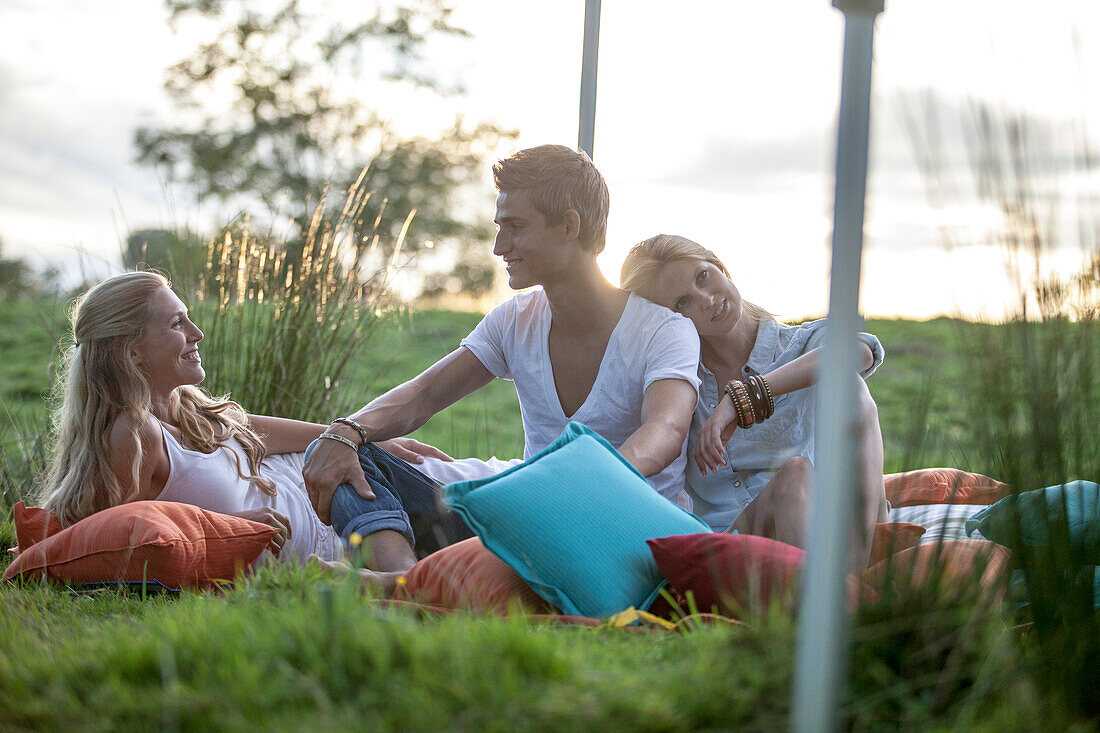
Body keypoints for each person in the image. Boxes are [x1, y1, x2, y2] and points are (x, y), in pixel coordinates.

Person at [303, 145, 702, 576]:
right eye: (500, 228)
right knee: (350, 454)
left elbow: (666, 430)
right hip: (532, 525)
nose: (499, 247)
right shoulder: (515, 320)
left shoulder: (664, 330)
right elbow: (424, 394)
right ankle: (406, 583)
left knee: (531, 535)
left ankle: (410, 588)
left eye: (515, 227)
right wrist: (344, 431)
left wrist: (578, 489)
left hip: (621, 530)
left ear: (569, 226)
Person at [34, 271, 450, 587]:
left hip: (369, 496)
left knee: (485, 481)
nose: (197, 334)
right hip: (357, 527)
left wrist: (366, 437)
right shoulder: (135, 435)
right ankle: (405, 584)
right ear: (134, 352)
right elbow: (121, 542)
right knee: (489, 520)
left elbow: (316, 437)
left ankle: (407, 578)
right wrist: (224, 532)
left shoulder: (194, 411)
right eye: (177, 324)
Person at [619, 234, 889, 569]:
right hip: (730, 547)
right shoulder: (679, 381)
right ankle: (832, 602)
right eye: (682, 303)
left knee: (848, 388)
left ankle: (853, 583)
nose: (705, 300)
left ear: (719, 266)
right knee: (794, 476)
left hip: (821, 538)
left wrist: (743, 398)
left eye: (703, 276)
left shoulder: (797, 345)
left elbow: (860, 351)